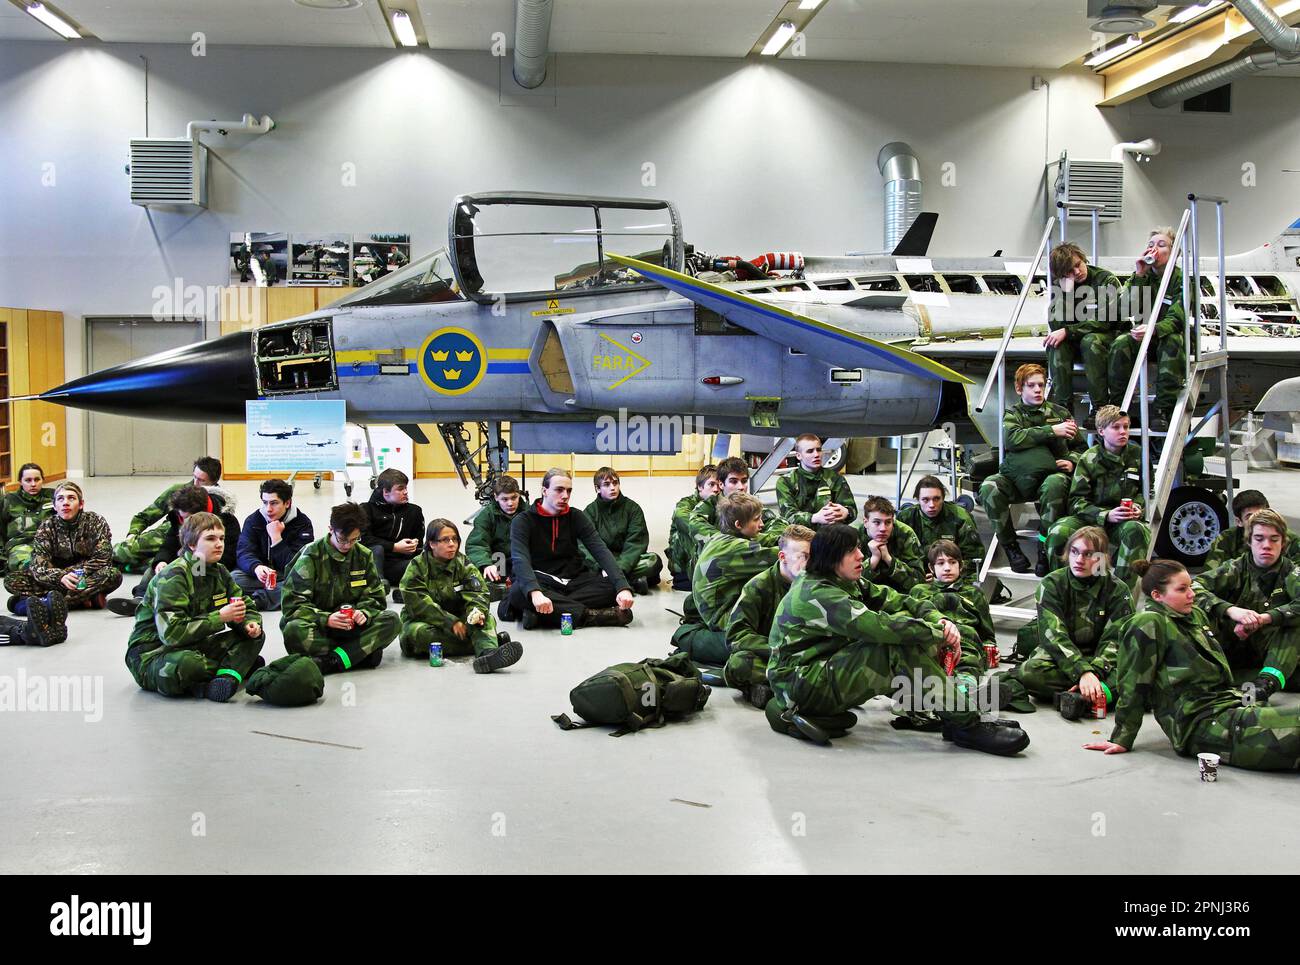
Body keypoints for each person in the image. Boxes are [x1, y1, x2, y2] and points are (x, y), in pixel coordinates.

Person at [766, 524, 1029, 754]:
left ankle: (953, 714)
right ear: (832, 559)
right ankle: (966, 724)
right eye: (851, 552)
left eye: (859, 548)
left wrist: (939, 619)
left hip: (818, 668)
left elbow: (895, 599)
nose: (861, 555)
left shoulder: (841, 579)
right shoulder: (818, 593)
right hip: (799, 683)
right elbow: (879, 627)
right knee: (894, 649)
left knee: (913, 635)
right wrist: (938, 634)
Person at [1085, 558, 1300, 771]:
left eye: (1190, 586)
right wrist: (1123, 736)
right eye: (1182, 589)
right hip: (1203, 723)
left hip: (1230, 705)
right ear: (1157, 596)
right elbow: (1133, 684)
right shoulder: (1149, 623)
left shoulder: (1192, 616)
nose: (1192, 594)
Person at [993, 526, 1133, 719]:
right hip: (1063, 656)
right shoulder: (1052, 584)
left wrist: (1096, 670)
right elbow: (1054, 636)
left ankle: (1077, 697)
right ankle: (1097, 694)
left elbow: (1115, 640)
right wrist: (1082, 672)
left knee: (1138, 673)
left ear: (1101, 558)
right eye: (1074, 552)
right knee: (1029, 672)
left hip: (1101, 658)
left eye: (1088, 554)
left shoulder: (1117, 589)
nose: (1079, 560)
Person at [124, 512, 265, 702]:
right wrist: (220, 617)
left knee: (254, 637)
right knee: (188, 664)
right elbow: (171, 634)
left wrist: (249, 623)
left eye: (222, 538)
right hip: (153, 654)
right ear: (191, 544)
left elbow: (243, 605)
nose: (219, 544)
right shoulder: (174, 576)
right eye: (210, 539)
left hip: (194, 644)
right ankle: (230, 669)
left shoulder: (218, 570)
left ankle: (227, 677)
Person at [978, 363, 1085, 575]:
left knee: (1055, 483)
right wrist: (1051, 431)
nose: (1038, 390)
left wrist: (1072, 460)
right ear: (1019, 389)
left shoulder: (1060, 413)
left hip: (1050, 480)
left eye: (1041, 385)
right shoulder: (1013, 415)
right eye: (1031, 385)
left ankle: (1045, 547)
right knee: (989, 486)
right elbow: (1013, 438)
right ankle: (1011, 547)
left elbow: (1082, 448)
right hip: (1017, 481)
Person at [1193, 509, 1300, 704]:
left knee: (1294, 625)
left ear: (1283, 543)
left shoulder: (1291, 573)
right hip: (1233, 644)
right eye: (1259, 538)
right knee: (1194, 611)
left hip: (1274, 651)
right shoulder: (1235, 569)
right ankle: (1219, 677)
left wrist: (1265, 618)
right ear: (1249, 541)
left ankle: (1264, 683)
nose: (1266, 545)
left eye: (1274, 539)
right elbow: (1193, 588)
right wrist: (1231, 611)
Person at [506, 468, 635, 630]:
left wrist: (622, 587)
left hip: (574, 581)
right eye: (559, 490)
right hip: (543, 582)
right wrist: (534, 592)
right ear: (544, 491)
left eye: (568, 491)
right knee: (518, 591)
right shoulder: (522, 521)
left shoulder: (576, 516)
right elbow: (520, 559)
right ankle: (591, 616)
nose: (565, 496)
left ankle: (545, 614)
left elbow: (601, 551)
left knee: (613, 587)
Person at [280, 501, 399, 674]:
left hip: (352, 628)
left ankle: (332, 661)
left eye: (354, 540)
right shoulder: (310, 556)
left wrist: (364, 612)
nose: (347, 546)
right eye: (342, 539)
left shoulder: (364, 555)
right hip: (321, 628)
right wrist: (326, 619)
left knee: (392, 620)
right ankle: (359, 654)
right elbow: (292, 606)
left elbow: (375, 598)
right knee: (293, 630)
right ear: (330, 529)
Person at [398, 519, 523, 673]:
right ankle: (489, 642)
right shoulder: (417, 567)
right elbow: (419, 605)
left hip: (461, 620)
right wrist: (450, 622)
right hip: (426, 622)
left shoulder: (463, 563)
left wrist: (476, 612)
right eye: (445, 540)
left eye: (455, 539)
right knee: (417, 634)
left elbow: (478, 592)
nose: (452, 544)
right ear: (432, 543)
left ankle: (487, 655)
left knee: (487, 619)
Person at [672, 495, 784, 666]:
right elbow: (784, 557)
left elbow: (766, 539)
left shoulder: (724, 537)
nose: (761, 524)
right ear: (739, 525)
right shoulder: (734, 548)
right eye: (757, 519)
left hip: (720, 607)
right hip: (722, 619)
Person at [1044, 405, 1149, 587]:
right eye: (1116, 427)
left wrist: (1138, 506)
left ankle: (1120, 594)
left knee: (1137, 530)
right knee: (1057, 531)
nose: (1123, 432)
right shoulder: (1089, 458)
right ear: (1101, 431)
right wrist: (1106, 515)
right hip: (1091, 520)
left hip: (1122, 522)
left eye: (1126, 426)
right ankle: (1061, 590)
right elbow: (1076, 502)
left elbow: (1145, 491)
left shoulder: (1138, 455)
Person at [108, 484, 242, 615]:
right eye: (181, 517)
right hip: (188, 559)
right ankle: (141, 598)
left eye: (186, 518)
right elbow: (170, 543)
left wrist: (195, 562)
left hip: (211, 567)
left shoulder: (228, 522)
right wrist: (162, 561)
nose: (183, 522)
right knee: (157, 566)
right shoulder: (179, 517)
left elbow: (229, 557)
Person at [723, 523, 814, 708]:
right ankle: (797, 688)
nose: (811, 564)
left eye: (814, 557)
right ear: (783, 557)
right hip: (772, 656)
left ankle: (778, 688)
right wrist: (779, 650)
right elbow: (736, 636)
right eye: (803, 557)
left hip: (807, 658)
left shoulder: (817, 584)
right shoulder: (758, 586)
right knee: (740, 663)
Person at [1108, 226, 1186, 429]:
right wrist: (1139, 274)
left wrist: (1153, 329)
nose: (1154, 249)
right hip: (1143, 336)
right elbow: (1123, 308)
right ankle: (1117, 408)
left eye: (1161, 245)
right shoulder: (1142, 277)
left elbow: (1177, 318)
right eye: (1151, 245)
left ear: (1174, 252)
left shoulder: (1181, 281)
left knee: (1173, 341)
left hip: (1165, 336)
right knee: (1120, 343)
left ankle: (1162, 410)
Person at [5, 482, 121, 610]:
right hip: (56, 580)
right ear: (54, 506)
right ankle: (85, 598)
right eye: (60, 499)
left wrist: (72, 575)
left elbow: (102, 559)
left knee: (112, 574)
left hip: (84, 577)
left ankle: (48, 604)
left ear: (81, 504)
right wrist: (60, 577)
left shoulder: (96, 522)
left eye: (71, 498)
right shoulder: (47, 527)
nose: (65, 503)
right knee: (12, 580)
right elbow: (38, 565)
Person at [1043, 242, 1122, 421]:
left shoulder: (1105, 280)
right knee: (1055, 344)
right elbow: (1056, 325)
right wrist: (1066, 294)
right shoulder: (1062, 286)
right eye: (1069, 271)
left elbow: (1104, 321)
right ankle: (1063, 410)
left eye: (1078, 265)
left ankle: (1099, 408)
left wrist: (1068, 331)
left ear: (1083, 259)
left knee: (1090, 341)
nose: (1077, 272)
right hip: (1079, 338)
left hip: (1109, 337)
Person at [112, 456, 233, 573]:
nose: (195, 483)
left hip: (189, 545)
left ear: (213, 482)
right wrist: (133, 532)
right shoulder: (179, 490)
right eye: (194, 477)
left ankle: (124, 567)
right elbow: (147, 515)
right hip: (165, 536)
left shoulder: (217, 503)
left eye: (201, 480)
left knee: (170, 565)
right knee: (121, 552)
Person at [907, 540, 994, 681]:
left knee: (968, 665)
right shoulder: (919, 591)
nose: (947, 568)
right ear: (931, 568)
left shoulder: (974, 593)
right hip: (932, 640)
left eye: (952, 562)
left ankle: (963, 690)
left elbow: (987, 631)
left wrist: (990, 646)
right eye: (940, 563)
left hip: (965, 641)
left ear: (961, 565)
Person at [234, 478, 314, 611]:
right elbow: (243, 552)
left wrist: (276, 539)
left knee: (304, 581)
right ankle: (279, 595)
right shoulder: (253, 520)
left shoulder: (302, 523)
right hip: (261, 576)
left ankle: (257, 600)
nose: (268, 509)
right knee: (234, 579)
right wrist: (256, 567)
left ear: (287, 503)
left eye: (274, 503)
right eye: (265, 503)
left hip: (286, 575)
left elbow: (298, 565)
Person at [582, 467, 663, 594]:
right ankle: (632, 582)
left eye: (615, 483)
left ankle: (610, 582)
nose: (612, 488)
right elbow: (584, 545)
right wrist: (602, 566)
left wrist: (618, 569)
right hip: (602, 563)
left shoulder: (633, 509)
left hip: (627, 561)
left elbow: (636, 544)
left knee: (653, 561)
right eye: (607, 485)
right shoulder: (590, 512)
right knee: (580, 565)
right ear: (597, 489)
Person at [685, 456, 785, 550]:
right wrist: (744, 539)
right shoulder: (709, 506)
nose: (741, 487)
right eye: (733, 481)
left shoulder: (752, 507)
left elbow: (780, 527)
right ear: (721, 484)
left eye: (744, 481)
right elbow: (695, 526)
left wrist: (751, 539)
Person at [361, 468, 424, 600]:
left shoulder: (415, 511)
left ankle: (408, 592)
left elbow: (419, 539)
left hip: (398, 563)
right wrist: (394, 547)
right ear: (386, 492)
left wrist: (413, 545)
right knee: (377, 550)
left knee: (427, 557)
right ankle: (378, 585)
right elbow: (365, 540)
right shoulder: (366, 510)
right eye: (400, 489)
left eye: (406, 487)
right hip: (373, 564)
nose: (406, 492)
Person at [897, 476, 984, 571]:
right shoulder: (905, 518)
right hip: (917, 575)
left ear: (943, 498)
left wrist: (948, 574)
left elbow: (974, 559)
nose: (932, 505)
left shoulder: (961, 517)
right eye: (925, 500)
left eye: (936, 499)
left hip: (952, 574)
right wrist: (917, 575)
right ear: (918, 499)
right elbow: (897, 556)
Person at [1204, 490, 1300, 571]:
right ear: (1239, 521)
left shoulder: (1289, 539)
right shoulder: (1227, 539)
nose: (1257, 520)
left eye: (1261, 514)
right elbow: (1211, 576)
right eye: (1249, 517)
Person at [775, 434, 856, 528]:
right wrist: (815, 518)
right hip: (799, 537)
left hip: (830, 533)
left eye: (819, 450)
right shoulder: (786, 482)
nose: (816, 455)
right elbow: (788, 516)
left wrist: (846, 512)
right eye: (810, 451)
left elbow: (852, 510)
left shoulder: (835, 478)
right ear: (798, 455)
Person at [466, 476, 523, 599]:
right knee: (472, 572)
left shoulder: (528, 513)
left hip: (521, 561)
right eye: (504, 499)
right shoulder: (486, 515)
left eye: (514, 497)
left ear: (519, 495)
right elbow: (476, 544)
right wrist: (486, 564)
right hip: (498, 561)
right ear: (496, 497)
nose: (510, 503)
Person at [857, 496, 924, 592]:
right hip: (865, 595)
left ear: (893, 521)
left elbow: (919, 582)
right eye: (877, 522)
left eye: (888, 522)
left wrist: (889, 559)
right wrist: (873, 560)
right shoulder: (854, 535)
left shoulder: (905, 533)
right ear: (866, 522)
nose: (883, 528)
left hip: (900, 594)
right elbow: (848, 582)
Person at [668, 465, 718, 590]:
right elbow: (684, 519)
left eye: (719, 485)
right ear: (700, 487)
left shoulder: (722, 504)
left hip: (709, 561)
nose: (716, 489)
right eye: (711, 485)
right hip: (684, 565)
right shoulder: (686, 504)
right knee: (693, 529)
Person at [1, 462, 55, 577]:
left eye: (37, 479)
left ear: (42, 480)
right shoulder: (8, 500)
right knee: (26, 566)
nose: (33, 484)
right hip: (21, 544)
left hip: (49, 543)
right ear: (20, 482)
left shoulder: (53, 496)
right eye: (28, 480)